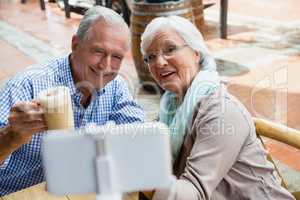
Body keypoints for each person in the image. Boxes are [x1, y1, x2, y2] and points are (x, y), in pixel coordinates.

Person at [140, 16, 295, 200]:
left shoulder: (220, 112)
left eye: (170, 49)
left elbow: (193, 193)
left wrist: (138, 175)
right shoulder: (170, 107)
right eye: (150, 57)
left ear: (196, 52)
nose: (159, 62)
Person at [0, 6, 144, 196]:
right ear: (75, 45)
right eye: (98, 51)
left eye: (116, 56)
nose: (106, 66)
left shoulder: (115, 86)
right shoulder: (27, 85)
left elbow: (137, 134)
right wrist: (12, 135)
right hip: (20, 194)